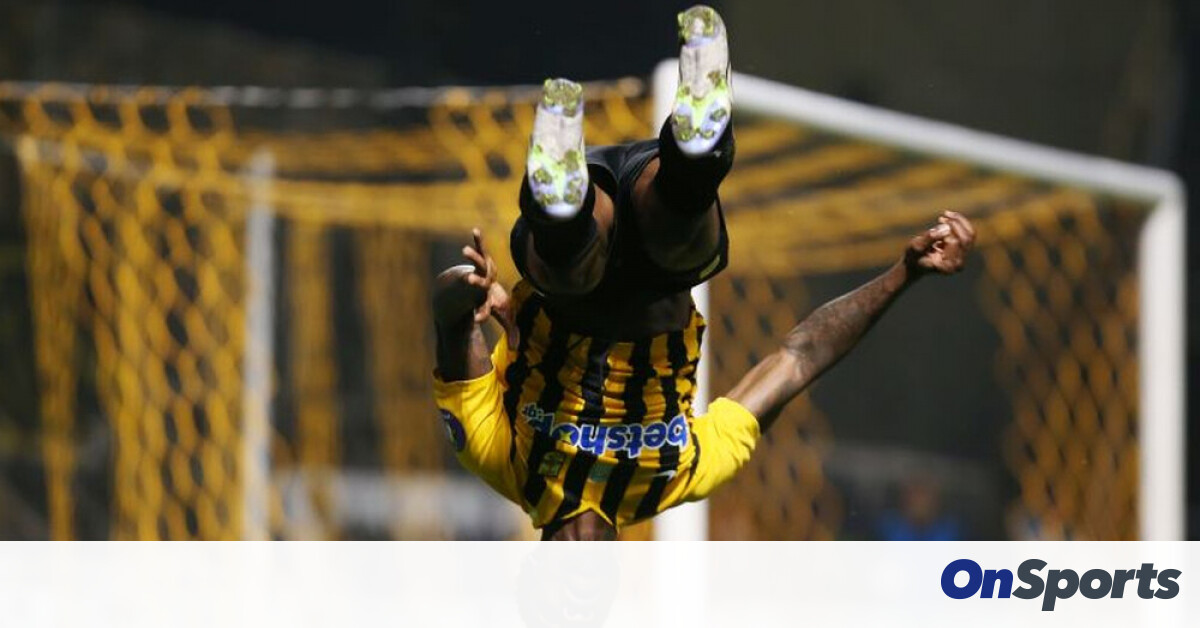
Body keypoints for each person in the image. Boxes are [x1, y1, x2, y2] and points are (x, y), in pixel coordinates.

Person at [431, 5, 978, 540]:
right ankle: (698, 146)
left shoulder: (500, 460)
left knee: (572, 266)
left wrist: (467, 288)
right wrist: (903, 274)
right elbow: (799, 358)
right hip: (661, 266)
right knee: (681, 224)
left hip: (572, 273)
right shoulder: (674, 480)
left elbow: (451, 319)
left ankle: (559, 198)